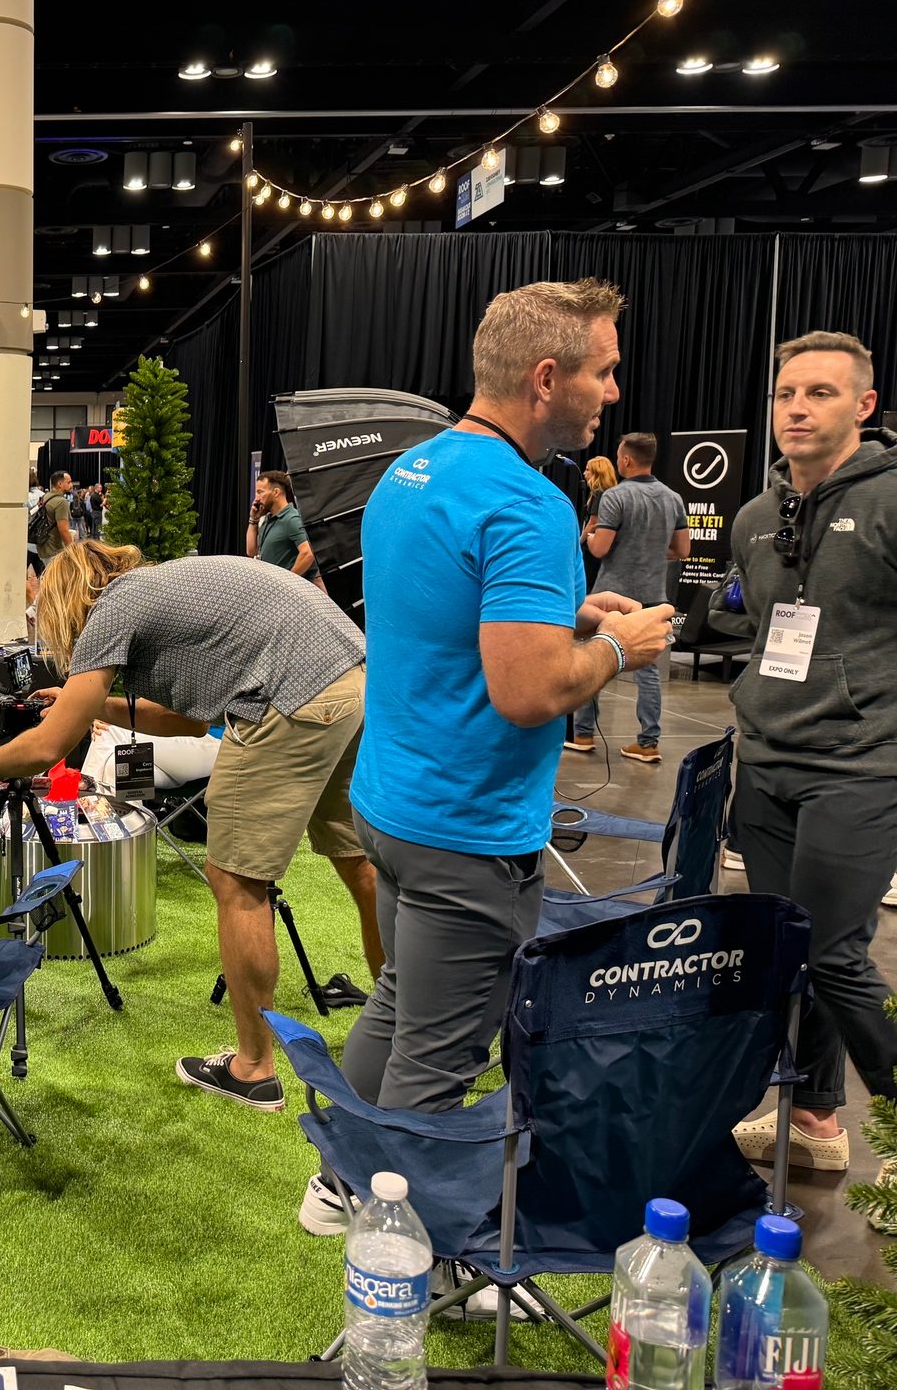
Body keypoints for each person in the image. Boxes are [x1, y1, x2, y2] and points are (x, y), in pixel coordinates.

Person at [315, 277, 675, 1234]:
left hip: (394, 805)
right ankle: (410, 1271)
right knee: (437, 1060)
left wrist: (569, 618)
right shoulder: (528, 503)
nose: (611, 392)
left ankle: (340, 1183)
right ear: (546, 377)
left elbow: (451, 623)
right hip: (465, 829)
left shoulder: (414, 471)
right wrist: (617, 650)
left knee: (399, 1007)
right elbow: (527, 693)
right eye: (602, 372)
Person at [0, 541, 383, 1112]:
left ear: (68, 598)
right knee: (358, 862)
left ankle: (253, 1069)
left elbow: (46, 746)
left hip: (291, 699)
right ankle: (401, 1023)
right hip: (355, 682)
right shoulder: (165, 589)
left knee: (237, 881)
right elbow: (190, 719)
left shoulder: (112, 607)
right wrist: (91, 705)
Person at [718, 331, 897, 1178]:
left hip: (862, 765)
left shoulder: (892, 500)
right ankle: (817, 1116)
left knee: (833, 950)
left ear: (863, 406)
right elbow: (746, 621)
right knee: (794, 952)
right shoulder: (756, 516)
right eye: (787, 393)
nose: (797, 408)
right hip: (771, 761)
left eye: (820, 393)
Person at [568, 432, 689, 762]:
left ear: (625, 460)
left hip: (612, 596)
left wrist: (591, 534)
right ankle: (648, 742)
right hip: (653, 596)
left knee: (593, 659)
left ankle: (583, 734)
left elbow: (600, 548)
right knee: (648, 673)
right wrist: (648, 550)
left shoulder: (615, 497)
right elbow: (682, 550)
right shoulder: (673, 498)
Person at [248, 471, 316, 578]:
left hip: (287, 591)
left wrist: (287, 581)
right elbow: (251, 551)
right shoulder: (268, 519)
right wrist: (253, 520)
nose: (257, 498)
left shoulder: (291, 519)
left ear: (276, 492)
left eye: (260, 492)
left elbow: (307, 554)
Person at [31, 469, 75, 563]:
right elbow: (63, 530)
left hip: (43, 547)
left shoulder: (46, 496)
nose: (71, 485)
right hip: (55, 551)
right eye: (69, 482)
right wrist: (72, 551)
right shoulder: (61, 502)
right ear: (60, 484)